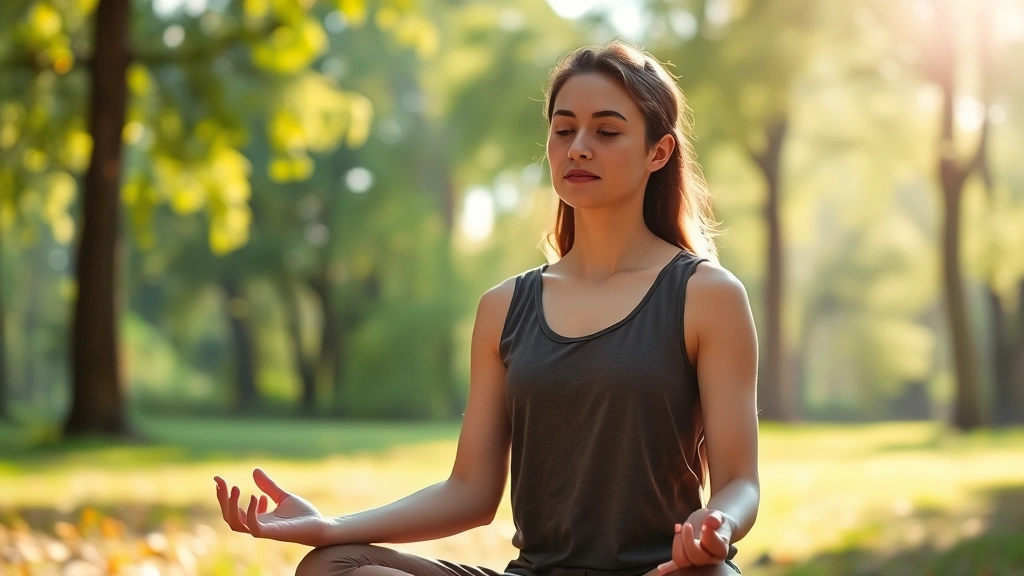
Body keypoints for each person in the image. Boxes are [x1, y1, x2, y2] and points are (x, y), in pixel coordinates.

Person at [213, 40, 760, 576]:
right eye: (564, 129)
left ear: (657, 153)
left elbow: (740, 482)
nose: (579, 147)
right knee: (333, 567)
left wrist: (716, 525)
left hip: (663, 572)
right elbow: (470, 492)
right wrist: (332, 526)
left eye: (607, 131)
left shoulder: (707, 296)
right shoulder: (504, 307)